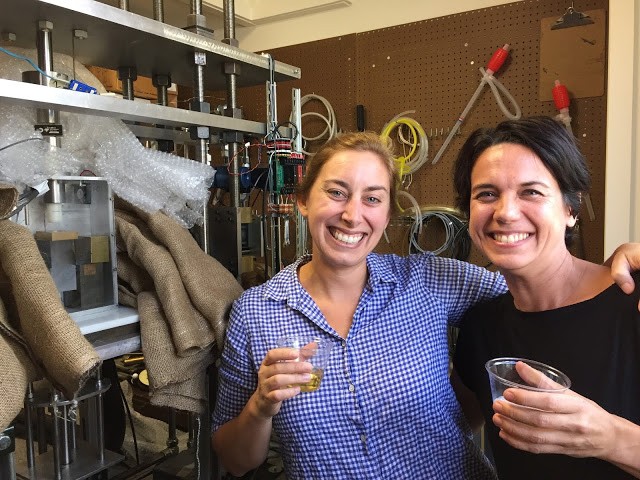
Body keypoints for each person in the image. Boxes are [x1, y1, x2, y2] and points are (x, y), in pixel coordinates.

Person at [211, 131, 640, 479]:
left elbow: (547, 285)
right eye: (337, 193)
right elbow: (234, 459)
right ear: (303, 200)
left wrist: (621, 264)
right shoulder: (256, 313)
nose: (352, 214)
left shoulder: (429, 282)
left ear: (572, 207)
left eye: (373, 198)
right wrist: (261, 406)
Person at [451, 116, 640, 479]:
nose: (505, 213)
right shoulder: (480, 327)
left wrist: (611, 437)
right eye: (487, 194)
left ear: (571, 209)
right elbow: (439, 427)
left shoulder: (631, 301)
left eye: (531, 192)